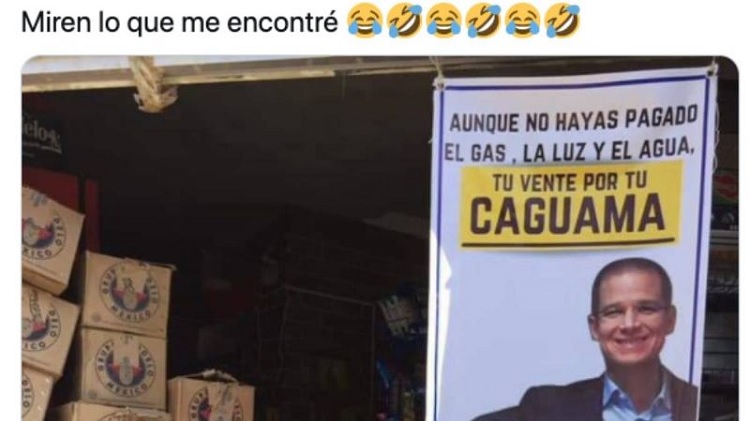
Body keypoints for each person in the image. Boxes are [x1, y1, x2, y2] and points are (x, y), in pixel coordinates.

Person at [473, 257, 698, 421]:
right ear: (594, 327)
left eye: (646, 308)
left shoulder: (701, 404)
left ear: (670, 320)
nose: (630, 324)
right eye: (613, 312)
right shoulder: (546, 408)